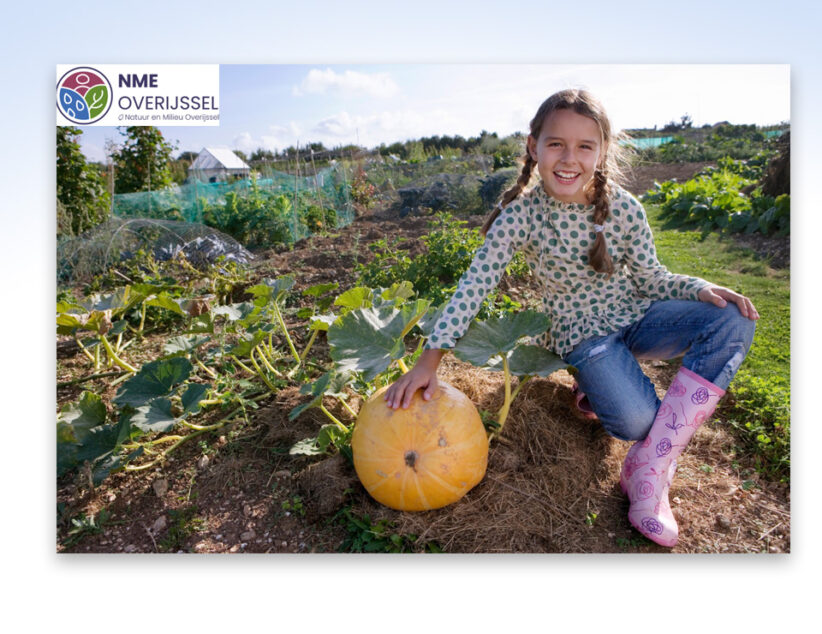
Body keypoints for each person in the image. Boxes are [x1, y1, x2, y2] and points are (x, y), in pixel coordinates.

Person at [383, 88, 758, 548]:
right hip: (583, 334)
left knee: (732, 319)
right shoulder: (522, 215)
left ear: (602, 151)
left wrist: (699, 288)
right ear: (533, 146)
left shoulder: (624, 208)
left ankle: (650, 470)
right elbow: (474, 285)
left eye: (585, 146)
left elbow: (652, 276)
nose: (569, 158)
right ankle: (600, 384)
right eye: (556, 143)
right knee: (638, 423)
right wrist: (429, 359)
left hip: (640, 316)